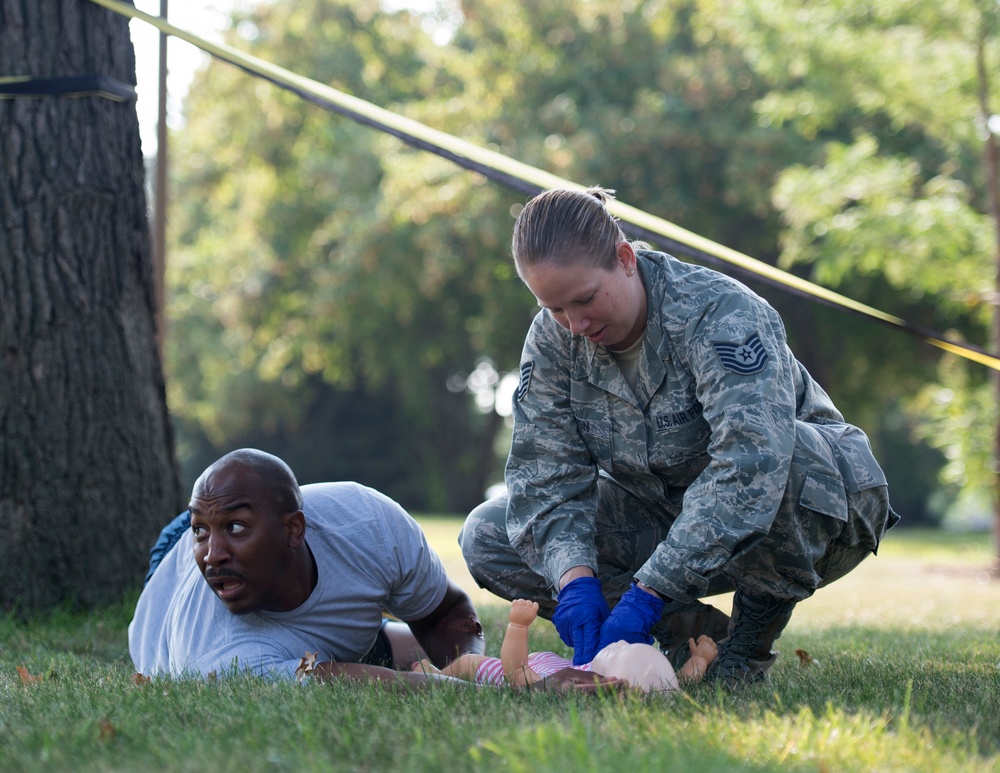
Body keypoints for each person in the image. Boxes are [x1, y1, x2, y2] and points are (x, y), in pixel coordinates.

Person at [459, 186, 900, 687]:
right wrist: (575, 580)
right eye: (555, 308)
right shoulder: (553, 338)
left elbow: (750, 463)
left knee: (777, 460)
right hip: (668, 512)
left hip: (820, 507)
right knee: (489, 534)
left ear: (625, 259)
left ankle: (748, 646)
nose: (574, 324)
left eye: (584, 300)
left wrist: (650, 590)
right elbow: (546, 478)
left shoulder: (718, 312)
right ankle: (692, 636)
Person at [413, 599, 717, 693]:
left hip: (531, 667)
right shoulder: (657, 689)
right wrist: (700, 661)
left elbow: (515, 671)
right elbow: (681, 683)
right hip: (555, 661)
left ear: (611, 679)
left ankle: (433, 673)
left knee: (468, 664)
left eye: (618, 649)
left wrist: (518, 627)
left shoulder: (569, 687)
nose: (619, 642)